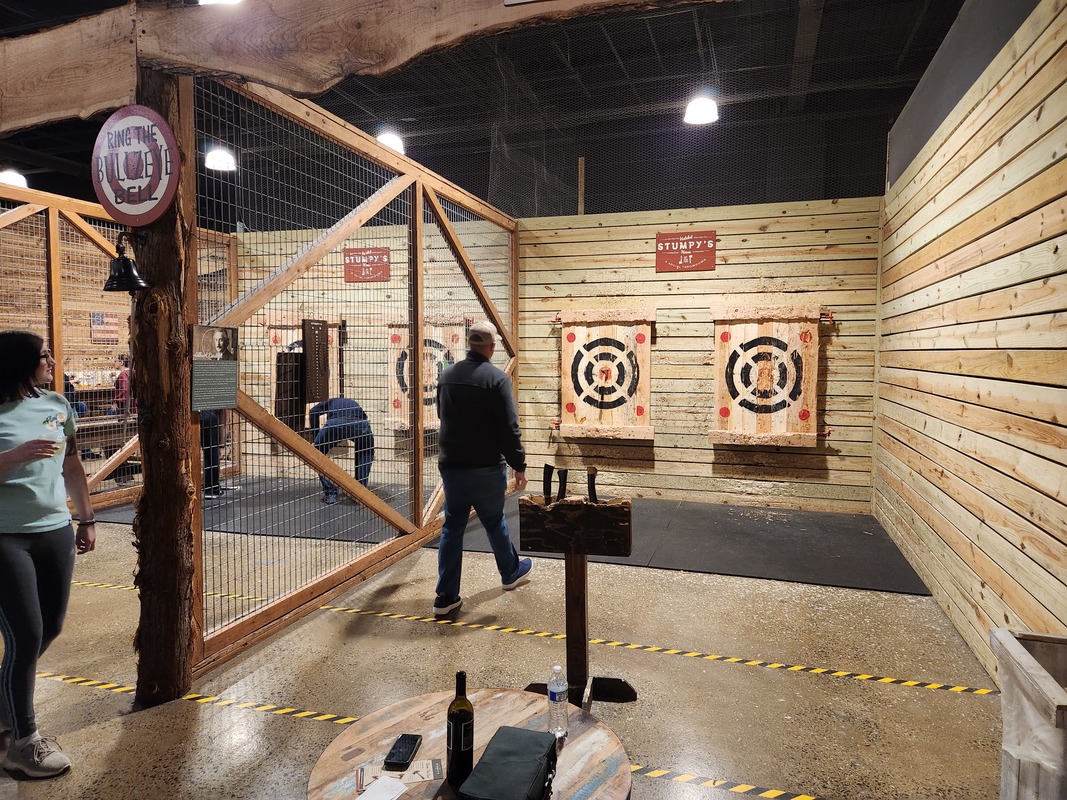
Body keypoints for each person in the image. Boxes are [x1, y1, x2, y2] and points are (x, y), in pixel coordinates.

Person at [0, 331, 97, 780]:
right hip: (5, 536)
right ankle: (23, 744)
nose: (52, 362)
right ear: (20, 363)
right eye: (44, 356)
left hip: (54, 529)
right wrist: (13, 456)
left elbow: (71, 464)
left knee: (51, 627)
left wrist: (86, 517)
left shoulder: (57, 404)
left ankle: (6, 700)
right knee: (26, 635)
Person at [432, 320, 531, 617]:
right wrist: (519, 465)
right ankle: (510, 573)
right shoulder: (497, 379)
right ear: (491, 347)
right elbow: (509, 428)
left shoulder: (447, 375)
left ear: (468, 344)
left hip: (452, 466)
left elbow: (442, 414)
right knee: (494, 520)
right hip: (486, 466)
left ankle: (445, 597)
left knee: (452, 527)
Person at [308, 397, 374, 505]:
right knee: (366, 451)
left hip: (336, 423)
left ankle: (331, 493)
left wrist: (316, 439)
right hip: (361, 424)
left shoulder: (330, 402)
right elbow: (363, 417)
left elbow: (313, 412)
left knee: (316, 454)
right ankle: (360, 492)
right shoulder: (353, 403)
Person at [200, 409, 223, 499]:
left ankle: (210, 486)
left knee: (209, 453)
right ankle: (213, 488)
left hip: (197, 413)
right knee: (212, 452)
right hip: (209, 415)